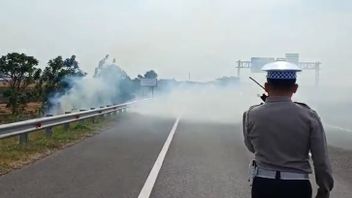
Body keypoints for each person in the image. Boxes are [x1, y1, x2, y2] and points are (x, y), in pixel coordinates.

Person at [242, 61, 334, 198]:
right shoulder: (309, 116)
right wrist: (324, 188)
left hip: (263, 184)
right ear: (295, 88)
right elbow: (321, 159)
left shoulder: (251, 114)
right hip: (297, 186)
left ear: (266, 86)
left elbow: (251, 147)